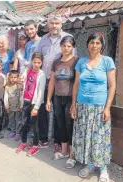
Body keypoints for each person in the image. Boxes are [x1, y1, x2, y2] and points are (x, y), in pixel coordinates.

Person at [70, 32, 116, 182]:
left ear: (102, 45)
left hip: (99, 107)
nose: (94, 46)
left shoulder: (107, 61)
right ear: (87, 44)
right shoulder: (81, 62)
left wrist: (107, 108)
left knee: (100, 138)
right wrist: (73, 105)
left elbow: (112, 86)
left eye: (97, 43)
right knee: (86, 137)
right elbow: (76, 84)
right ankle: (90, 165)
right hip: (83, 106)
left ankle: (102, 168)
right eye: (92, 42)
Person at [36, 14, 75, 149]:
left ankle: (59, 142)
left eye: (57, 23)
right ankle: (44, 138)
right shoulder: (42, 40)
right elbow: (37, 58)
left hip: (61, 83)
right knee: (43, 109)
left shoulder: (67, 39)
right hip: (45, 79)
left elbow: (73, 60)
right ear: (48, 25)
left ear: (61, 25)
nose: (54, 26)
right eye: (52, 23)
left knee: (60, 113)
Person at [46, 36, 78, 167]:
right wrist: (48, 99)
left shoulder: (76, 62)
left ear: (73, 47)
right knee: (60, 124)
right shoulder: (56, 62)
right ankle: (64, 151)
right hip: (57, 97)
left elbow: (77, 82)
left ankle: (72, 155)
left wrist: (74, 103)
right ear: (61, 46)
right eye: (64, 45)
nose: (66, 48)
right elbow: (52, 81)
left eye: (69, 46)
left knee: (70, 125)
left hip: (70, 98)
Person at [16, 52, 46, 157]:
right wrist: (20, 83)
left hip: (34, 104)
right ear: (32, 62)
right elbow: (22, 85)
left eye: (39, 62)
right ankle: (23, 142)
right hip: (26, 101)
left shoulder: (42, 74)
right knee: (24, 123)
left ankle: (35, 145)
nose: (36, 64)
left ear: (42, 63)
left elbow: (41, 92)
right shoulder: (27, 71)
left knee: (34, 126)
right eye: (34, 62)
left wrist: (36, 108)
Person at [4, 70, 22, 141]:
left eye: (15, 77)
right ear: (9, 77)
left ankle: (18, 133)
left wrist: (21, 105)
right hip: (10, 107)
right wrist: (7, 106)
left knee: (18, 120)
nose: (13, 79)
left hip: (18, 107)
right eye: (11, 77)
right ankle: (13, 131)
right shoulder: (7, 87)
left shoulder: (19, 86)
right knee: (11, 119)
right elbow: (6, 97)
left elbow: (21, 96)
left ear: (18, 78)